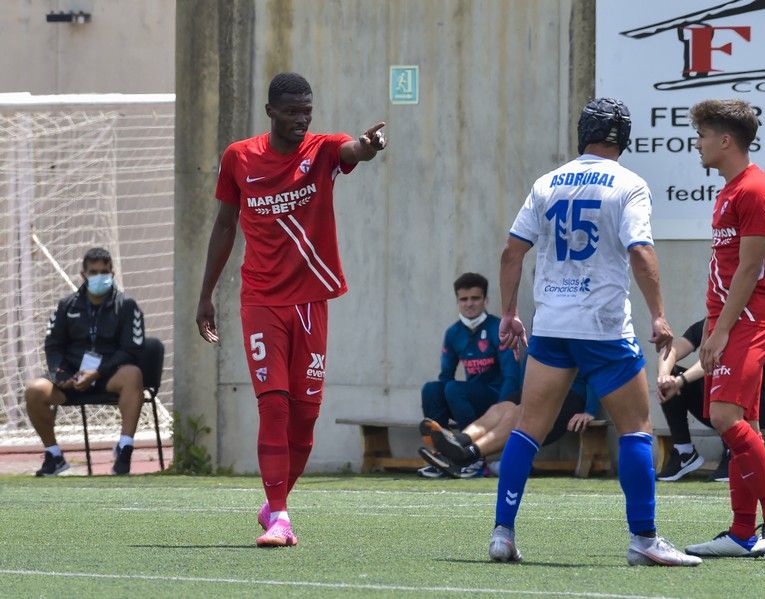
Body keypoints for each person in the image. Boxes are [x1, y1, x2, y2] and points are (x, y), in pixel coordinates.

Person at [486, 97, 701, 567]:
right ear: (623, 138)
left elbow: (510, 253)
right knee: (636, 430)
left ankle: (502, 533)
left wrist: (508, 313)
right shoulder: (629, 184)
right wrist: (659, 315)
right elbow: (641, 251)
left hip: (552, 325)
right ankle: (643, 539)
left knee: (528, 428)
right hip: (603, 326)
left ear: (582, 133)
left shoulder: (547, 183)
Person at [195, 72, 387, 548]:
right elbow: (224, 226)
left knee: (306, 415)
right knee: (274, 404)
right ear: (271, 113)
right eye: (293, 111)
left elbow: (351, 152)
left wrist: (368, 146)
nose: (303, 119)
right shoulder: (239, 157)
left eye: (308, 110)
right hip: (260, 300)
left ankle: (273, 502)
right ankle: (280, 515)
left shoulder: (322, 150)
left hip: (311, 300)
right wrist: (206, 294)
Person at [683, 99, 765, 559]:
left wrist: (722, 330)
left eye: (704, 135)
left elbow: (749, 272)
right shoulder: (729, 191)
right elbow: (725, 270)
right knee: (742, 422)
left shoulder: (756, 191)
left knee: (725, 418)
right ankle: (742, 531)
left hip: (750, 317)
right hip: (732, 318)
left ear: (726, 140)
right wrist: (713, 325)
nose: (698, 143)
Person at [25, 247, 145, 477]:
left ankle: (125, 448)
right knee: (34, 390)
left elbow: (132, 350)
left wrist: (98, 371)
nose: (99, 276)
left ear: (112, 272)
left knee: (133, 374)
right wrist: (60, 375)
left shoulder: (127, 306)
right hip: (71, 379)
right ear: (83, 274)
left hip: (108, 377)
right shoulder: (66, 306)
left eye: (104, 271)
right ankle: (54, 455)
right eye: (93, 272)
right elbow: (53, 345)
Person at [417, 273, 520, 477]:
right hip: (467, 398)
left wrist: (501, 411)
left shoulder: (498, 328)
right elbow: (445, 375)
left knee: (454, 389)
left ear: (485, 300)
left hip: (496, 399)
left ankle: (472, 459)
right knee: (432, 389)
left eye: (475, 298)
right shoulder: (453, 333)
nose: (469, 304)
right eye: (464, 299)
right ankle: (443, 457)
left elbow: (512, 377)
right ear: (457, 301)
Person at [656, 317, 765, 482]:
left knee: (715, 374)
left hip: (760, 408)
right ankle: (684, 452)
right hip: (720, 406)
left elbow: (713, 362)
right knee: (670, 378)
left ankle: (733, 451)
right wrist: (664, 377)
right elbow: (672, 350)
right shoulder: (708, 323)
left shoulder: (751, 326)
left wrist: (680, 381)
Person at [418, 374, 597, 478]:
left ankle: (468, 455)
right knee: (501, 408)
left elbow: (594, 371)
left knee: (517, 412)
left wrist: (590, 410)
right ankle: (458, 442)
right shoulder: (544, 330)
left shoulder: (579, 329)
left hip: (569, 397)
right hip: (536, 391)